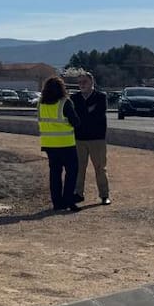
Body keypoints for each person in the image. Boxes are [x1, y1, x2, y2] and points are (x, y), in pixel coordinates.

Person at [38, 76, 81, 212]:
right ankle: (68, 200)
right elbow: (76, 122)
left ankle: (57, 203)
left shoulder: (40, 103)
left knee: (55, 174)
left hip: (49, 144)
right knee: (71, 173)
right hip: (66, 143)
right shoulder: (64, 103)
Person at [71, 71, 111, 204]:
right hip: (79, 139)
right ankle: (78, 193)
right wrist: (87, 112)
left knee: (100, 168)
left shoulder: (100, 97)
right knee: (79, 168)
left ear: (92, 82)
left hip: (97, 139)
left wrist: (83, 114)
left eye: (84, 82)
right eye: (79, 82)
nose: (82, 85)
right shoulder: (74, 98)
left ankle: (104, 195)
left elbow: (97, 115)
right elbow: (74, 117)